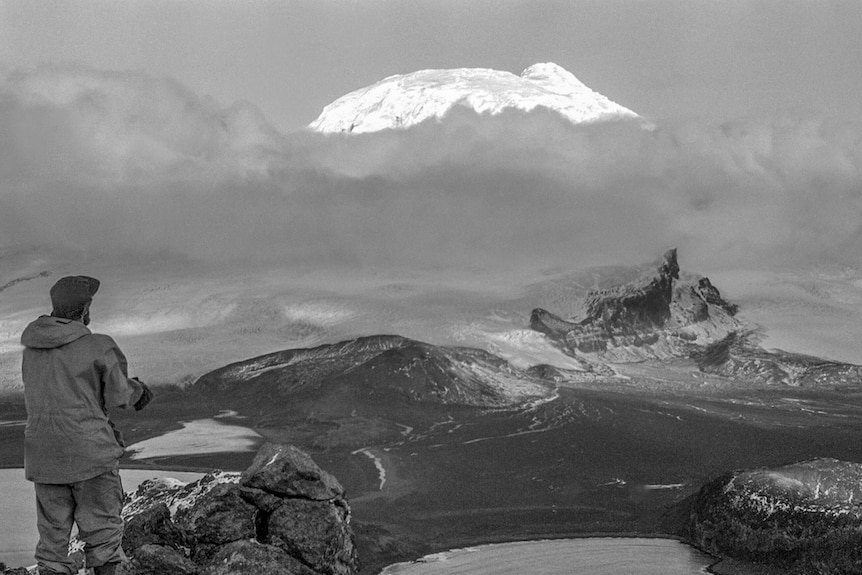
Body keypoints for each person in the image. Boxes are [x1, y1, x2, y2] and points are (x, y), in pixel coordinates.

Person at [20, 276, 153, 575]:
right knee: (103, 535)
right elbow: (119, 395)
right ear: (85, 307)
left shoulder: (32, 350)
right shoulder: (98, 345)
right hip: (90, 453)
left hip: (43, 457)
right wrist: (140, 392)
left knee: (52, 544)